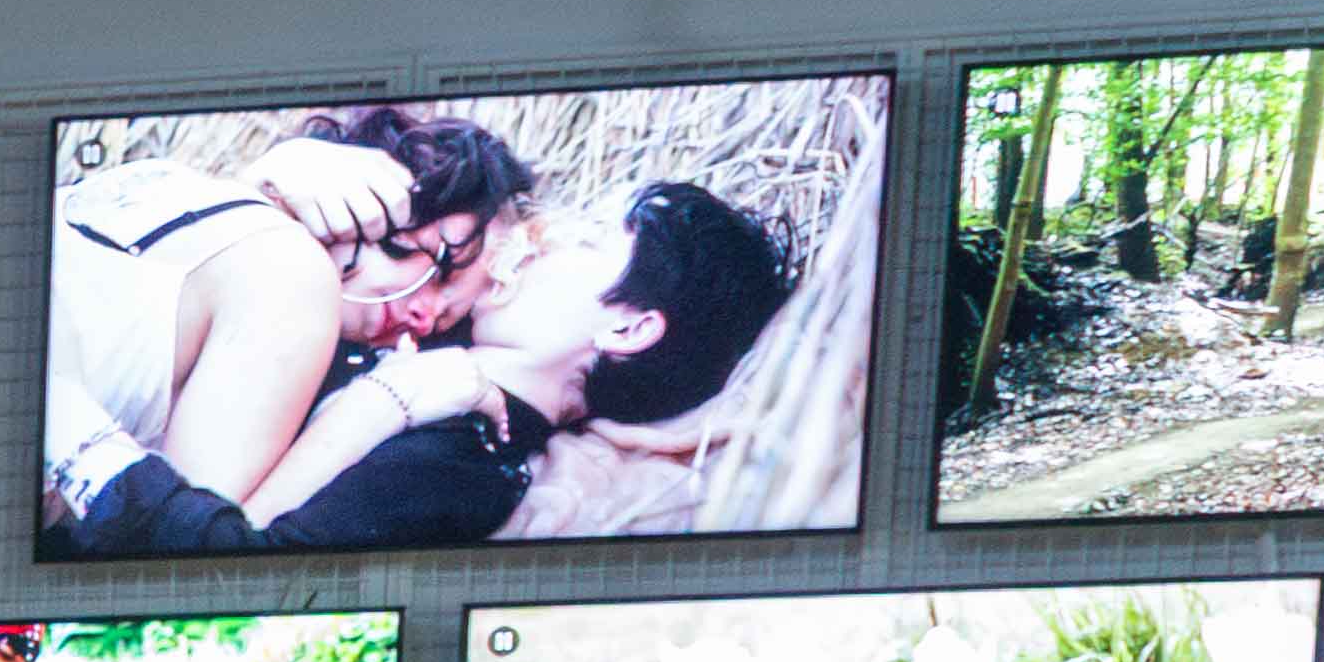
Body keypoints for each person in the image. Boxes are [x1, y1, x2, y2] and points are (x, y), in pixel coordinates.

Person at [50, 181, 794, 557]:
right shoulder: (418, 337)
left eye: (594, 239)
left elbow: (221, 569)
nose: (548, 239)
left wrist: (383, 401)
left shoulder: (461, 462)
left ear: (627, 327)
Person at [39, 109, 528, 526]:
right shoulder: (295, 274)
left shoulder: (162, 184)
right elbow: (182, 546)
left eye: (446, 321)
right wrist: (383, 403)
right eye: (438, 268)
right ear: (382, 191)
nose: (424, 317)